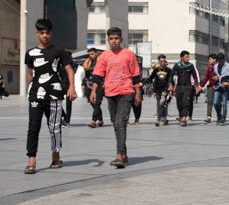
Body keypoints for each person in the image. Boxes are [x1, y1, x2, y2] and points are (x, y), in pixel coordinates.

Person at [24, 19, 77, 174]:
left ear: (51, 33)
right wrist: (30, 90)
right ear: (37, 34)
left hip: (54, 95)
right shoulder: (31, 53)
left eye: (47, 32)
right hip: (35, 95)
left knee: (54, 127)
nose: (45, 35)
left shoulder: (59, 52)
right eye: (42, 33)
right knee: (33, 127)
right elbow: (30, 74)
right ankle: (31, 158)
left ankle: (56, 155)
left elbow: (69, 69)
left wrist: (72, 88)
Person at [90, 27, 142, 168]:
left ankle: (119, 155)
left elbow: (136, 74)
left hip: (126, 92)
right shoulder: (105, 56)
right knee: (115, 122)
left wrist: (138, 93)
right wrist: (93, 91)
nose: (114, 41)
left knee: (120, 121)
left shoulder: (128, 54)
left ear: (121, 39)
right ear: (108, 40)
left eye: (116, 38)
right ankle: (124, 153)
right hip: (110, 93)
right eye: (111, 39)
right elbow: (98, 75)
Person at [169, 50, 200, 126]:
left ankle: (184, 117)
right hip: (179, 87)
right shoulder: (177, 65)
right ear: (182, 58)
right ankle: (181, 115)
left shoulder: (191, 66)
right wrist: (171, 85)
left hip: (188, 87)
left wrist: (196, 86)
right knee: (179, 103)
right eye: (186, 57)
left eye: (188, 57)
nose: (188, 58)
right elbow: (171, 75)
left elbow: (195, 77)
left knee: (185, 102)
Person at [81, 48, 104, 128]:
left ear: (96, 53)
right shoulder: (88, 62)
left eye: (92, 54)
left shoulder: (101, 62)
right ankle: (100, 120)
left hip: (100, 85)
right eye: (89, 54)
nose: (90, 56)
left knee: (97, 103)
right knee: (93, 104)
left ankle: (93, 121)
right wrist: (86, 81)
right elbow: (86, 74)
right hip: (90, 86)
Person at [148, 54, 173, 126]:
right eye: (161, 61)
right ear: (159, 61)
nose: (163, 62)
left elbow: (170, 79)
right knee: (159, 103)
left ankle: (160, 118)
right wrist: (145, 83)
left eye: (164, 61)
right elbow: (151, 77)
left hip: (165, 89)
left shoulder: (168, 70)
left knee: (163, 102)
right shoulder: (156, 69)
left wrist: (170, 87)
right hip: (158, 89)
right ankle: (162, 118)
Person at [212, 52, 229, 125]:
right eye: (219, 61)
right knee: (215, 103)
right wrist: (214, 78)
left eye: (222, 61)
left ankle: (223, 119)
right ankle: (219, 115)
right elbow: (214, 75)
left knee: (224, 104)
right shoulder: (215, 66)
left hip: (225, 87)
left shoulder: (228, 66)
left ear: (224, 59)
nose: (221, 62)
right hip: (217, 87)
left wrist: (226, 83)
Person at [202, 54, 217, 124]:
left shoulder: (219, 67)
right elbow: (206, 78)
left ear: (214, 59)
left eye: (210, 59)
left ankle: (219, 116)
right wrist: (201, 86)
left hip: (218, 87)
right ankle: (208, 116)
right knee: (210, 101)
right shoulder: (209, 67)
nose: (209, 61)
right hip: (210, 87)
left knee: (218, 102)